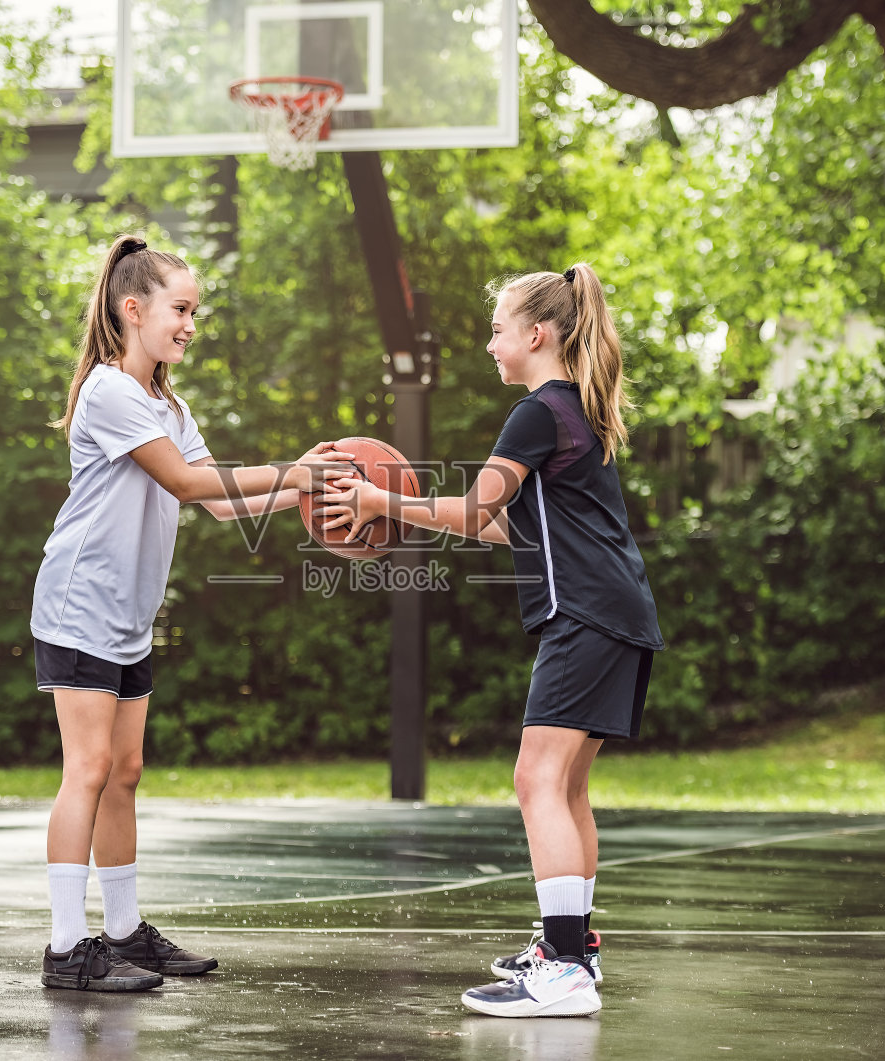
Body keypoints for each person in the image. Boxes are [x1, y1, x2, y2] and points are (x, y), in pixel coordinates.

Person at [320, 263, 663, 1018]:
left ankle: (566, 967)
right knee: (566, 786)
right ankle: (567, 945)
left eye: (498, 328)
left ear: (536, 334)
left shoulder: (539, 411)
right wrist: (405, 507)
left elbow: (478, 507)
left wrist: (383, 499)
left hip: (586, 616)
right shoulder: (581, 409)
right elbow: (509, 522)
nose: (490, 343)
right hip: (617, 612)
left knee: (537, 779)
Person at [32, 234, 352, 992]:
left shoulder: (167, 402)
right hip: (79, 606)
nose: (190, 325)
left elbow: (215, 498)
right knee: (89, 768)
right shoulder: (109, 390)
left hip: (127, 617)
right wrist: (295, 470)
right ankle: (65, 946)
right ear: (132, 309)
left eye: (194, 312)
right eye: (181, 309)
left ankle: (122, 930)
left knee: (126, 772)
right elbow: (182, 483)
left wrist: (303, 491)